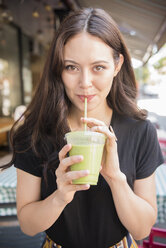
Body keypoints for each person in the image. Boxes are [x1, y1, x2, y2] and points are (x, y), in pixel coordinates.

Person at [2, 8, 164, 248]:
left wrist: (116, 179)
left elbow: (140, 229)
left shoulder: (140, 132)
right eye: (71, 67)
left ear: (117, 65)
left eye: (98, 67)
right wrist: (60, 197)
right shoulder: (34, 133)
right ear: (59, 68)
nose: (85, 83)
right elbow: (28, 225)